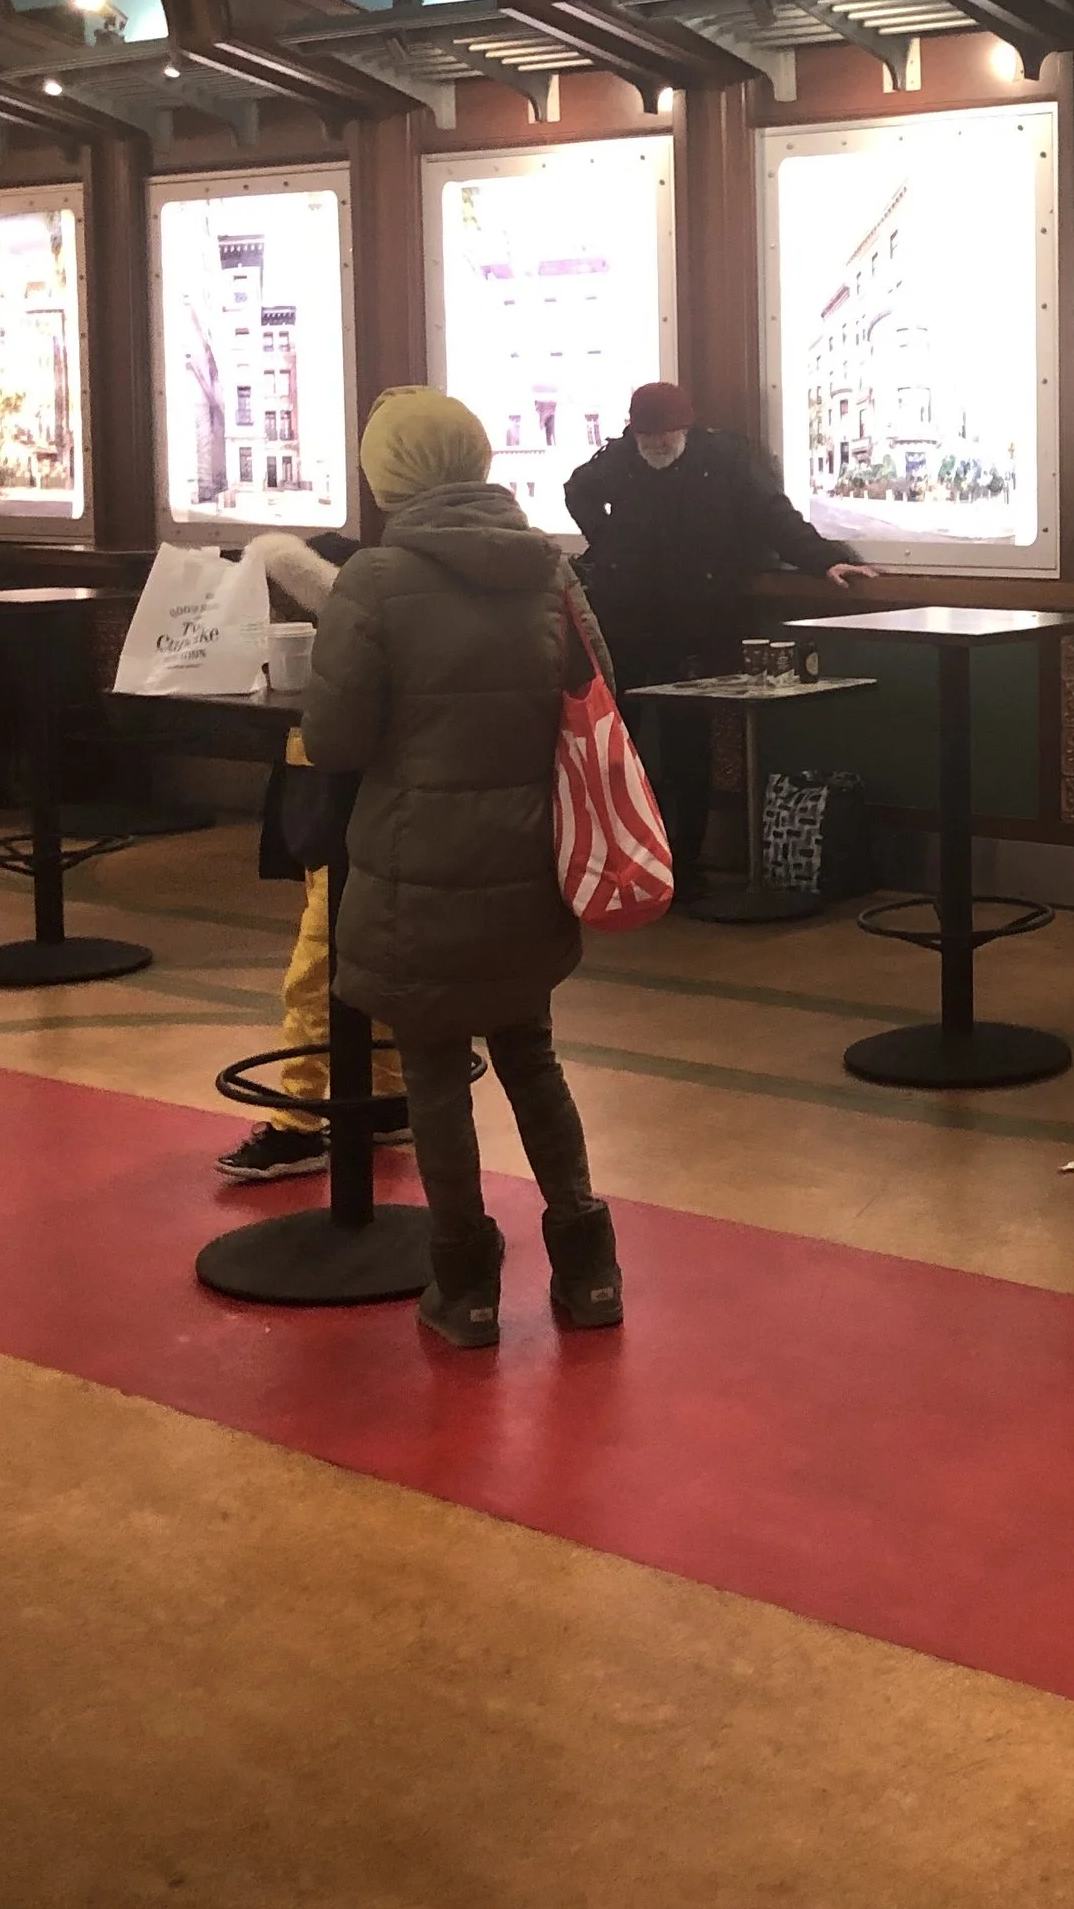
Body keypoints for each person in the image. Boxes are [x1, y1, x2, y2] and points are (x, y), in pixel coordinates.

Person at [300, 387, 621, 1350]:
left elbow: (336, 736)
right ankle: (589, 1268)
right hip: (527, 860)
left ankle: (467, 1289)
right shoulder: (548, 571)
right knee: (532, 1054)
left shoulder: (375, 578)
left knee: (437, 1072)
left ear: (389, 473)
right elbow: (596, 690)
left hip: (413, 868)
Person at [563, 383, 877, 873]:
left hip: (697, 624)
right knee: (622, 746)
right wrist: (608, 542)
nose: (656, 446)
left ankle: (682, 865)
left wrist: (826, 561)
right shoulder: (619, 458)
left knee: (689, 748)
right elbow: (576, 492)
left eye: (665, 436)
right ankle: (624, 860)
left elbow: (776, 517)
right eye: (647, 438)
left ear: (686, 428)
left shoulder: (727, 460)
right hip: (627, 623)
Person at [214, 528, 407, 1183]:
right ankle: (387, 1095)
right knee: (361, 967)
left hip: (348, 832)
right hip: (342, 827)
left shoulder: (352, 667)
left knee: (315, 974)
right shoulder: (372, 650)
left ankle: (298, 1122)